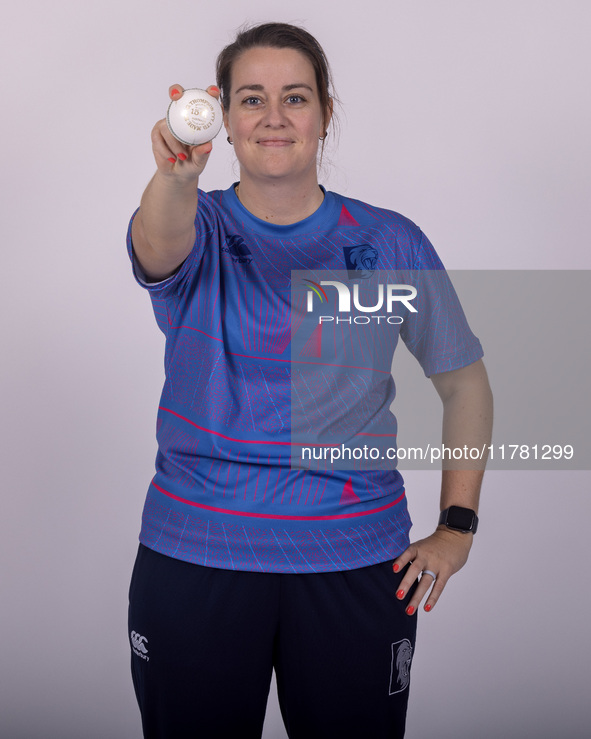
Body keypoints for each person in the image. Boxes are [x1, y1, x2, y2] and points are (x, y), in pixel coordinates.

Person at [126, 22, 493, 739]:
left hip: (354, 560)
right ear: (223, 117)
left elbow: (465, 385)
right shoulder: (193, 223)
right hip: (195, 552)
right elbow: (157, 240)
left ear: (324, 111)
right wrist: (174, 176)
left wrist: (457, 527)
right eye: (251, 98)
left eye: (293, 97)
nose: (272, 116)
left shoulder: (389, 241)